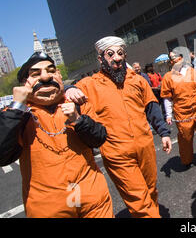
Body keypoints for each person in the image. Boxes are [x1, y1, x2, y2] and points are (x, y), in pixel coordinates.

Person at [65, 36, 172, 218]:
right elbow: (65, 90)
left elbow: (151, 106)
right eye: (110, 54)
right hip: (116, 153)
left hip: (145, 145)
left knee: (150, 189)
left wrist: (163, 132)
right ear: (100, 59)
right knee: (139, 200)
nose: (117, 57)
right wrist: (69, 88)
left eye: (120, 53)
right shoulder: (89, 84)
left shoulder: (137, 80)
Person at [0, 52, 113, 218]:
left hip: (94, 201)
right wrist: (16, 108)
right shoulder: (15, 115)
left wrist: (78, 120)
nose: (46, 77)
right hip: (49, 209)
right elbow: (3, 156)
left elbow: (99, 138)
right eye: (36, 74)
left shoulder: (77, 103)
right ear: (25, 83)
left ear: (59, 75)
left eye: (51, 71)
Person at [160, 49, 196, 170]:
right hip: (182, 113)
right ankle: (186, 159)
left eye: (176, 57)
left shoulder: (192, 72)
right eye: (172, 58)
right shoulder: (168, 77)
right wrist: (168, 115)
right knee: (185, 138)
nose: (175, 60)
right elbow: (167, 98)